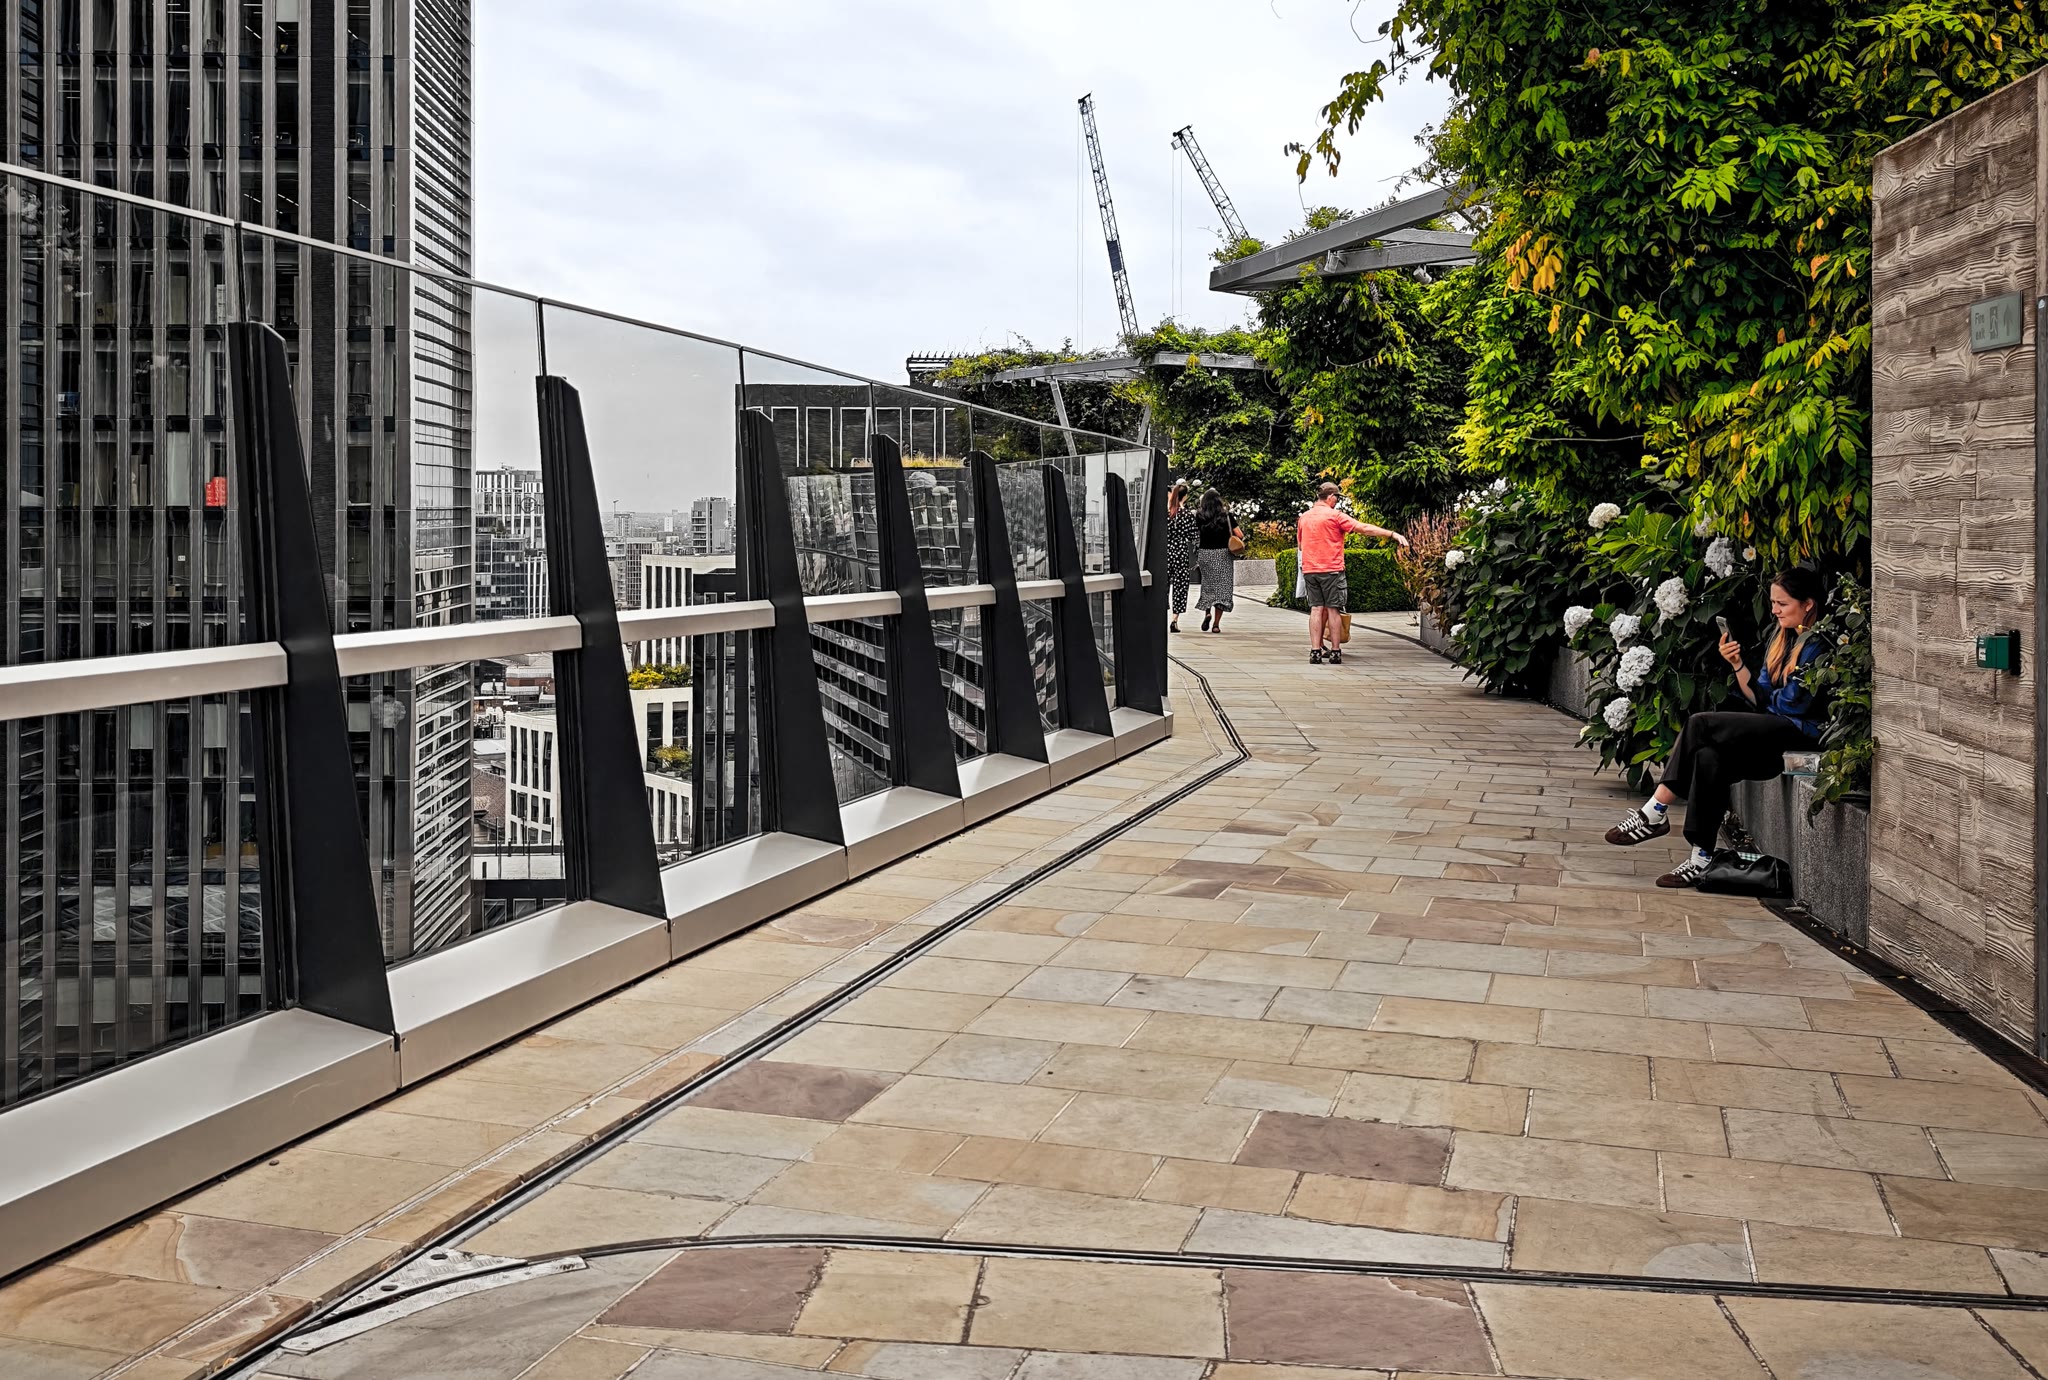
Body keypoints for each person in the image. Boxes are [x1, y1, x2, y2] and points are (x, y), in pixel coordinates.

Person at [1605, 567, 1832, 887]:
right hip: (1775, 734)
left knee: (1700, 724)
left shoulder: (1820, 645)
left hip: (1801, 739)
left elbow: (1793, 705)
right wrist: (1738, 665)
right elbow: (1760, 696)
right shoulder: (1783, 640)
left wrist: (1769, 701)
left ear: (1808, 604)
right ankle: (1701, 857)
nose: (1775, 610)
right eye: (1772, 603)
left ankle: (1655, 811)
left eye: (1782, 603)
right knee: (1708, 757)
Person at [1295, 482, 1408, 665]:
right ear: (1330, 497)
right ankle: (1335, 651)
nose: (1337, 502)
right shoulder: (1335, 516)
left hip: (1310, 570)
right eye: (1337, 498)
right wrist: (1391, 534)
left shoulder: (1304, 518)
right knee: (1333, 609)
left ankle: (1315, 651)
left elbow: (1301, 545)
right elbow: (1364, 528)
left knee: (1316, 609)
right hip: (1332, 569)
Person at [1194, 489, 1242, 633]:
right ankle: (1216, 624)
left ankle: (1207, 613)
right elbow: (1239, 534)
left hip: (1205, 554)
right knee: (1222, 589)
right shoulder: (1226, 515)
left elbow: (1194, 534)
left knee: (1208, 586)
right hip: (1223, 555)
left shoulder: (1199, 516)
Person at [1165, 480, 1198, 633]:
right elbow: (1193, 535)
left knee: (1163, 585)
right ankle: (1174, 619)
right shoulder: (1187, 514)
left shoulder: (1165, 513)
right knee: (1180, 586)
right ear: (1185, 497)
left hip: (1166, 552)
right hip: (1181, 552)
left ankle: (1160, 614)